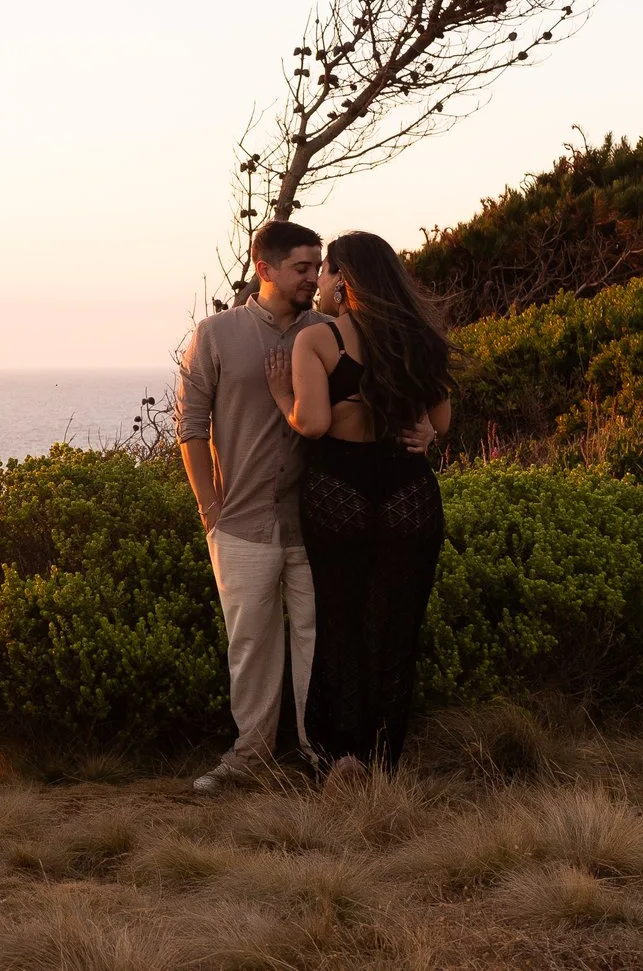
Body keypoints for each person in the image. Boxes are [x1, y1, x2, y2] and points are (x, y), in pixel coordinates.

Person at [176, 221, 434, 794]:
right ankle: (251, 758)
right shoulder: (215, 336)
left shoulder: (333, 331)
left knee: (323, 640)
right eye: (301, 267)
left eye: (318, 267)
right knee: (250, 645)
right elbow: (191, 429)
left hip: (320, 517)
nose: (313, 277)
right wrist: (208, 508)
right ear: (264, 269)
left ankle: (323, 757)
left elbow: (390, 396)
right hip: (240, 520)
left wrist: (426, 432)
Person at [284, 230, 454, 776]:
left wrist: (280, 398)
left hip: (340, 490)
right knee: (396, 629)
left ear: (346, 279)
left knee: (341, 622)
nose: (324, 281)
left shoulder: (319, 340)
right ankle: (384, 762)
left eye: (330, 271)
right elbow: (440, 425)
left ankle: (342, 761)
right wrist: (423, 431)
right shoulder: (423, 338)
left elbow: (312, 424)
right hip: (409, 492)